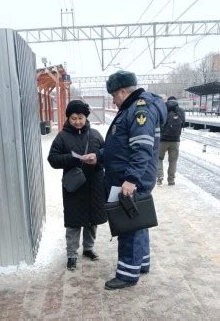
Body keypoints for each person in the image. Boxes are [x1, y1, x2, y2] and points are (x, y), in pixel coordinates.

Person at [82, 70, 167, 290]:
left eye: (113, 95)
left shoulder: (139, 110)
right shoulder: (132, 108)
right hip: (128, 176)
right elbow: (120, 147)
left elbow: (141, 149)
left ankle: (128, 275)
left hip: (129, 180)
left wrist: (131, 180)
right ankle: (141, 263)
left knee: (129, 225)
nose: (113, 99)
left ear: (122, 91)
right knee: (138, 222)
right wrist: (99, 156)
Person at [48, 100, 107, 271]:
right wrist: (73, 158)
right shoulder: (62, 137)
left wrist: (96, 159)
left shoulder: (95, 135)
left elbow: (106, 156)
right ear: (68, 118)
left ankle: (88, 248)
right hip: (74, 185)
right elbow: (53, 159)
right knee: (73, 222)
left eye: (80, 117)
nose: (77, 121)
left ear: (86, 117)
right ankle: (71, 254)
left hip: (94, 184)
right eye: (73, 118)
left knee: (92, 220)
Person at [157, 96, 185, 186]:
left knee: (159, 159)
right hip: (175, 140)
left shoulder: (163, 109)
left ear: (167, 101)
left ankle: (160, 177)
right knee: (173, 161)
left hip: (162, 140)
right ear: (176, 101)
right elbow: (183, 123)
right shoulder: (180, 111)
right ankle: (171, 180)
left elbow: (158, 122)